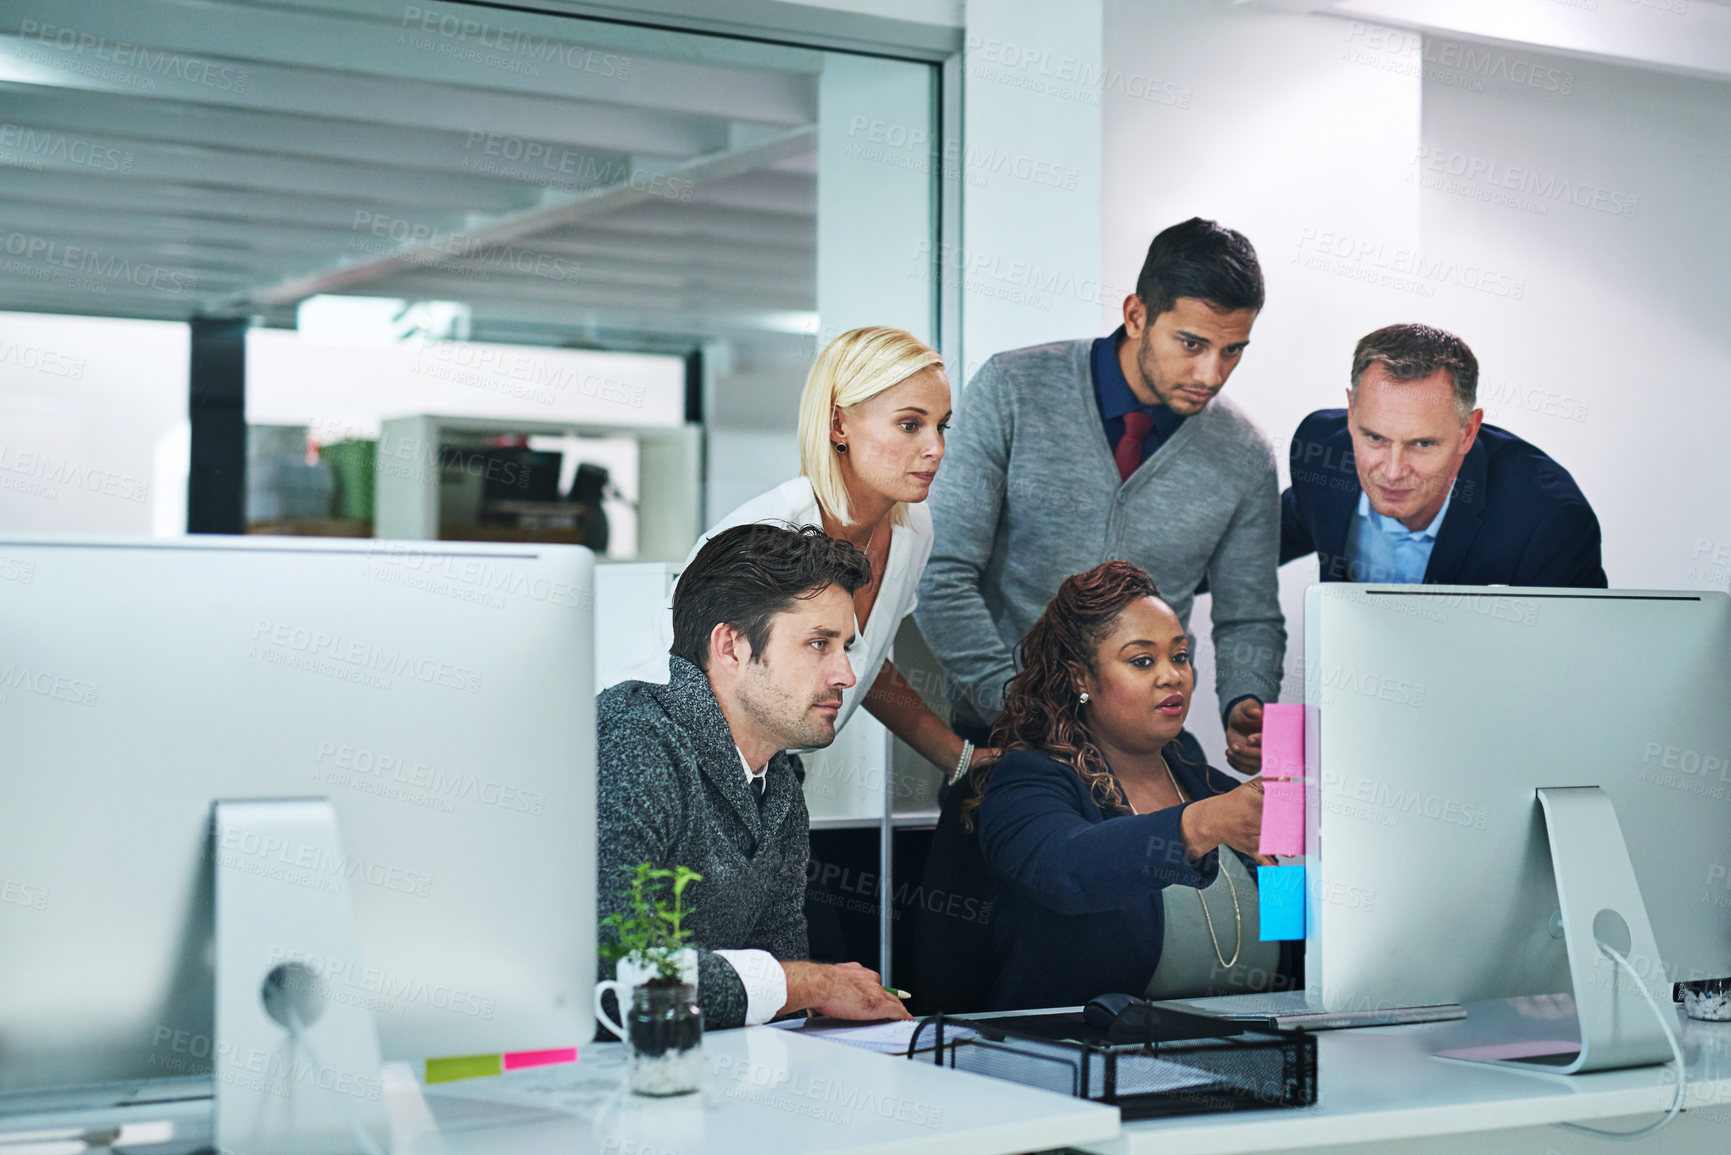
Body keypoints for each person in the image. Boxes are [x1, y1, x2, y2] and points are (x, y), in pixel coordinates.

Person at [918, 218, 1285, 777]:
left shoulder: (1245, 454)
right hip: (1004, 737)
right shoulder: (1012, 389)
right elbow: (941, 574)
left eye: (1232, 351)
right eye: (1192, 344)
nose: (1211, 373)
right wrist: (1020, 711)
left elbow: (1248, 617)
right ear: (1136, 315)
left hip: (1145, 752)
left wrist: (1246, 699)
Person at [597, 522, 911, 1029]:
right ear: (732, 647)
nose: (846, 676)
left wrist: (804, 988)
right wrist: (815, 984)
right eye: (818, 644)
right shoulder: (633, 740)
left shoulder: (778, 775)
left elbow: (778, 971)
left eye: (845, 647)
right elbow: (620, 973)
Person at [970, 561, 1299, 1011]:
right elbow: (1067, 868)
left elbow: (1293, 941)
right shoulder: (1027, 781)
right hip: (1088, 1067)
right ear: (1080, 678)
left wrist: (1302, 861)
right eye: (1142, 661)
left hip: (1255, 1060)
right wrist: (1198, 825)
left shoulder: (1212, 787)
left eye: (1179, 656)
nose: (1172, 676)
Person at [678, 326, 999, 785]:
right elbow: (694, 678)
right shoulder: (768, 532)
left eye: (941, 426)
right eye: (910, 425)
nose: (936, 449)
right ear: (837, 425)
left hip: (769, 773)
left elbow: (857, 660)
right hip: (689, 768)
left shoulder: (913, 528)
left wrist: (958, 757)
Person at [1281, 323, 1606, 587]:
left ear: (1468, 431)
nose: (1393, 472)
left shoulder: (1548, 521)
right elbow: (1264, 535)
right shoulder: (1320, 451)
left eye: (1422, 444)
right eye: (1376, 437)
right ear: (1351, 413)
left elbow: (1576, 661)